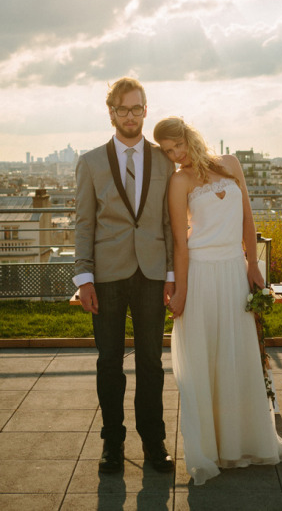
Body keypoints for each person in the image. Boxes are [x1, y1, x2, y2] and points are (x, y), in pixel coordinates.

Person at [153, 116, 282, 485]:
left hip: (235, 271)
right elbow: (180, 244)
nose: (176, 155)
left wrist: (253, 265)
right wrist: (181, 291)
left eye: (178, 145)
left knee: (238, 355)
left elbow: (248, 220)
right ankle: (211, 449)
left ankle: (245, 442)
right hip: (201, 274)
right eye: (168, 152)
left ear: (189, 136)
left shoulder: (231, 164)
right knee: (207, 358)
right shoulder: (179, 180)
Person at [73, 77, 175, 474]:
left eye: (136, 108)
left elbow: (169, 222)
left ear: (146, 110)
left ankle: (154, 443)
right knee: (109, 362)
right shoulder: (91, 162)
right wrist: (84, 279)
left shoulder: (164, 160)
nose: (130, 116)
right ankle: (112, 444)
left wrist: (170, 274)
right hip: (107, 275)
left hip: (152, 273)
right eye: (122, 109)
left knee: (151, 361)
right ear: (111, 113)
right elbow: (84, 224)